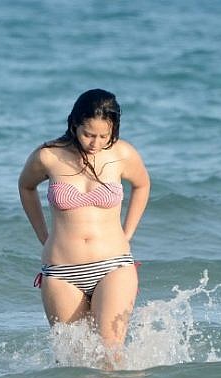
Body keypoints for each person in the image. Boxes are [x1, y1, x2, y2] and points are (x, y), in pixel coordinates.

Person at [18, 89, 151, 363]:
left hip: (113, 265)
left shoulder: (122, 153)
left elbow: (142, 184)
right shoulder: (49, 156)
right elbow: (26, 186)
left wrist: (128, 233)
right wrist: (44, 236)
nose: (95, 142)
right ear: (74, 123)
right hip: (61, 272)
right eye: (89, 134)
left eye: (104, 135)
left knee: (110, 354)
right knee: (71, 361)